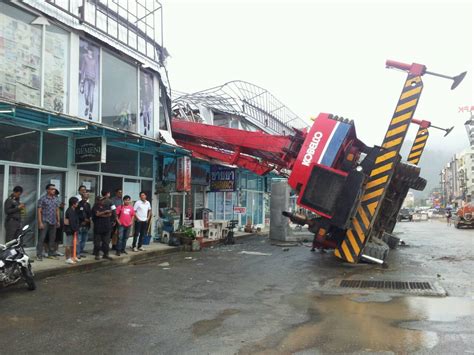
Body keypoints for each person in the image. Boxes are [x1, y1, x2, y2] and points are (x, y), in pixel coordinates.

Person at [37, 184, 60, 261]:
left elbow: (57, 210)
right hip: (45, 221)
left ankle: (51, 253)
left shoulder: (56, 199)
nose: (54, 190)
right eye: (52, 189)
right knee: (41, 238)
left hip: (53, 221)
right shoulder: (42, 199)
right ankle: (39, 254)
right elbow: (39, 211)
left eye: (54, 189)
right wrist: (40, 222)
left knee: (52, 238)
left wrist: (58, 221)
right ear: (47, 190)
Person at [92, 196, 113, 260]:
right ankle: (97, 254)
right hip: (98, 227)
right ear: (98, 201)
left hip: (106, 227)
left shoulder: (106, 206)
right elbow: (97, 214)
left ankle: (106, 254)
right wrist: (104, 212)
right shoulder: (95, 207)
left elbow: (110, 214)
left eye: (103, 200)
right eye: (101, 200)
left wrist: (102, 214)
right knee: (97, 243)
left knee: (106, 242)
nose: (102, 201)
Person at [80, 47, 97, 120]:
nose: (90, 52)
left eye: (91, 50)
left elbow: (96, 70)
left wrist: (96, 80)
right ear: (88, 51)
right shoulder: (85, 58)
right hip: (86, 79)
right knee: (86, 94)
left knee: (92, 97)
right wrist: (81, 80)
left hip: (92, 80)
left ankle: (90, 113)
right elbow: (83, 68)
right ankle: (87, 106)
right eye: (89, 50)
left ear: (92, 52)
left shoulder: (94, 60)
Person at [63, 197, 80, 265]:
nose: (78, 204)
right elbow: (71, 221)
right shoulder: (69, 211)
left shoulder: (74, 210)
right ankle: (68, 258)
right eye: (77, 203)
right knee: (69, 245)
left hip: (74, 229)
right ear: (73, 204)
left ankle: (73, 256)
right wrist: (75, 229)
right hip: (70, 230)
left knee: (74, 244)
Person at [77, 191, 92, 258]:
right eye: (85, 196)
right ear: (82, 197)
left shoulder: (88, 205)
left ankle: (81, 251)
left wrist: (89, 220)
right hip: (80, 224)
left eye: (87, 196)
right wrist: (83, 219)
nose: (86, 197)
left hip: (87, 225)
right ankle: (77, 253)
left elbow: (89, 214)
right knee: (79, 240)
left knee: (84, 239)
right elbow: (78, 214)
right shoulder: (79, 204)